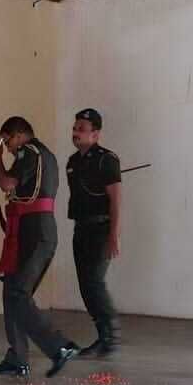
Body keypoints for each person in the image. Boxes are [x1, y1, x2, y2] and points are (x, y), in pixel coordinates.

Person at [0, 116, 79, 379]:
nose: (7, 148)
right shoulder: (42, 155)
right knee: (11, 292)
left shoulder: (29, 151)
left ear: (17, 135)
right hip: (30, 230)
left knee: (19, 294)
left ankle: (59, 347)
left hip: (36, 232)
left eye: (7, 142)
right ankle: (17, 358)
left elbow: (7, 183)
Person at [67, 109, 122, 357]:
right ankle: (103, 336)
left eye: (82, 128)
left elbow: (116, 200)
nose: (76, 132)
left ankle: (110, 336)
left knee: (94, 282)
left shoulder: (106, 159)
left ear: (95, 134)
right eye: (75, 127)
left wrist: (113, 235)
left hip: (101, 229)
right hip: (81, 228)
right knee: (86, 285)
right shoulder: (73, 162)